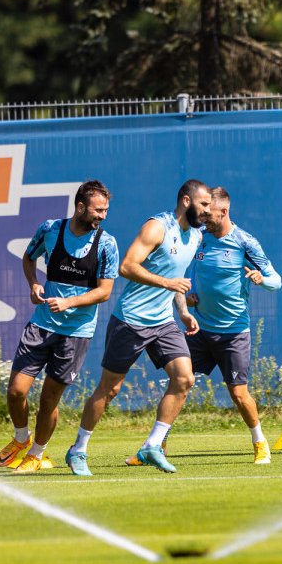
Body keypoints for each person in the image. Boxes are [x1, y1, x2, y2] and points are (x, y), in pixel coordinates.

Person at [66, 180, 211, 476]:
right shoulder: (157, 227)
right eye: (204, 205)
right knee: (110, 389)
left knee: (184, 379)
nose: (208, 211)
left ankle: (152, 446)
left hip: (164, 323)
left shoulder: (195, 235)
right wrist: (168, 283)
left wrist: (182, 312)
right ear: (186, 201)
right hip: (131, 319)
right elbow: (127, 267)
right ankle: (78, 449)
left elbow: (177, 279)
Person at [0, 181, 119, 473]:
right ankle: (21, 439)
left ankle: (37, 455)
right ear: (80, 207)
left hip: (76, 333)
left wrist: (69, 302)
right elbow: (29, 257)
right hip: (41, 324)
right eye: (97, 210)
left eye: (105, 211)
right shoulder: (50, 229)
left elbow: (104, 292)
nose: (102, 216)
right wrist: (34, 283)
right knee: (16, 390)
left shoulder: (107, 244)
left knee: (49, 399)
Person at [186, 187, 282, 464]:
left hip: (234, 334)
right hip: (200, 329)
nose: (204, 217)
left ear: (224, 212)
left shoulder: (245, 242)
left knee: (239, 394)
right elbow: (188, 274)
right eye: (201, 212)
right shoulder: (199, 239)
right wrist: (188, 295)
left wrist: (260, 279)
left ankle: (259, 442)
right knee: (178, 383)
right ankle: (157, 445)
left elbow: (277, 281)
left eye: (209, 213)